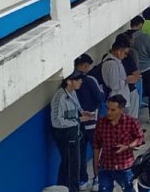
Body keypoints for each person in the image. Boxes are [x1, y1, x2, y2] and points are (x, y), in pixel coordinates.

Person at [92, 95, 143, 192]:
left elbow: (140, 138)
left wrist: (128, 146)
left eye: (113, 110)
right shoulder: (101, 123)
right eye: (107, 109)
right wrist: (95, 165)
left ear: (121, 110)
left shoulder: (131, 122)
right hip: (106, 165)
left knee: (129, 189)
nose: (108, 112)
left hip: (124, 166)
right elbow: (96, 145)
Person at [74, 55, 105, 191]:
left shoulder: (69, 81)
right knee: (97, 151)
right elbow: (100, 98)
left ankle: (82, 180)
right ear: (85, 65)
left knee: (80, 153)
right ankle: (97, 178)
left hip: (77, 124)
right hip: (92, 122)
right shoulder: (90, 80)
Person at [50, 71, 85, 192]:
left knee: (74, 164)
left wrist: (82, 113)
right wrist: (78, 120)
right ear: (69, 81)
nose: (80, 82)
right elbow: (57, 121)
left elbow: (76, 109)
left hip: (73, 130)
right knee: (70, 164)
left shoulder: (72, 93)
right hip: (64, 133)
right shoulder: (59, 98)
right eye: (78, 79)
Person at [127, 16, 150, 122]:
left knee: (138, 94)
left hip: (135, 70)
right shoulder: (145, 36)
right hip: (149, 68)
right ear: (140, 24)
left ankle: (136, 115)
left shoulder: (127, 36)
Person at [100, 37, 139, 118]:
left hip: (122, 99)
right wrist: (126, 80)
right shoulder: (111, 64)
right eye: (125, 53)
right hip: (117, 101)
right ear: (118, 51)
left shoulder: (116, 62)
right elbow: (114, 85)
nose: (125, 56)